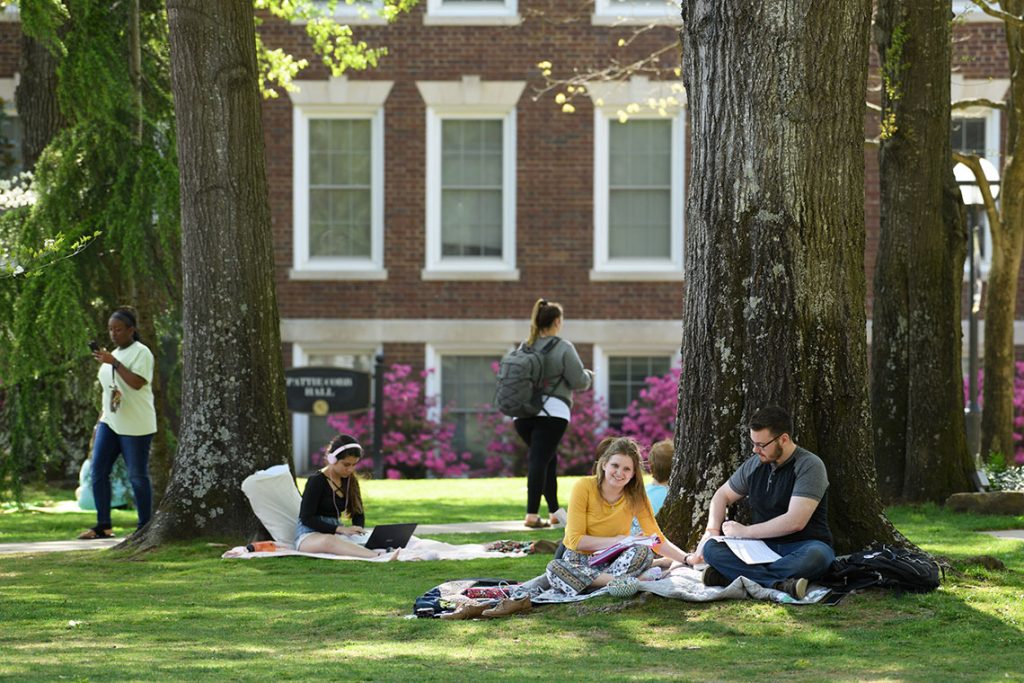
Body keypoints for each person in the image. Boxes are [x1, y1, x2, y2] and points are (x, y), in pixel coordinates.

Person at [689, 405, 835, 600]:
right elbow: (721, 496)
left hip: (802, 545)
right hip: (760, 548)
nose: (755, 449)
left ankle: (730, 576)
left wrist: (746, 532)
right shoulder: (755, 464)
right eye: (753, 442)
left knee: (819, 557)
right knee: (711, 549)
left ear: (783, 439)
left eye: (761, 444)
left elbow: (795, 521)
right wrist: (712, 531)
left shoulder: (809, 465)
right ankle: (779, 584)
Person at [544, 436, 690, 596]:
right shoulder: (584, 486)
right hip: (581, 560)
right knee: (554, 568)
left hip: (615, 560)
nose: (620, 473)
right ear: (604, 464)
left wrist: (687, 559)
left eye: (627, 469)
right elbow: (575, 541)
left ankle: (596, 584)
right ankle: (629, 581)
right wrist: (619, 540)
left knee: (643, 551)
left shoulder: (636, 496)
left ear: (634, 473)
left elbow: (656, 539)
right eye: (615, 465)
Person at [78, 307, 157, 539]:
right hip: (110, 421)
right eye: (111, 329)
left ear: (131, 330)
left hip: (136, 425)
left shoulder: (141, 352)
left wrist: (114, 363)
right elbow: (109, 392)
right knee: (98, 470)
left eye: (119, 329)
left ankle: (144, 526)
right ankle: (103, 525)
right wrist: (99, 422)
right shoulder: (112, 354)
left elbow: (136, 383)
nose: (114, 334)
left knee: (137, 476)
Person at [514, 298, 594, 529]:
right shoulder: (563, 347)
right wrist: (589, 376)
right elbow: (579, 381)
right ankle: (531, 515)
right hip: (552, 413)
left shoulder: (525, 346)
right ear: (557, 322)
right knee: (540, 459)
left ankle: (554, 513)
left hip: (522, 414)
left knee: (548, 458)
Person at [295, 434, 395, 559]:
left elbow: (358, 513)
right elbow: (306, 518)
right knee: (329, 541)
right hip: (309, 535)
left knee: (377, 538)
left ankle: (388, 549)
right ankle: (378, 556)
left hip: (337, 532)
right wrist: (340, 529)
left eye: (354, 465)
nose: (350, 469)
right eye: (346, 464)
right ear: (332, 459)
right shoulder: (316, 481)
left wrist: (358, 529)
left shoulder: (350, 481)